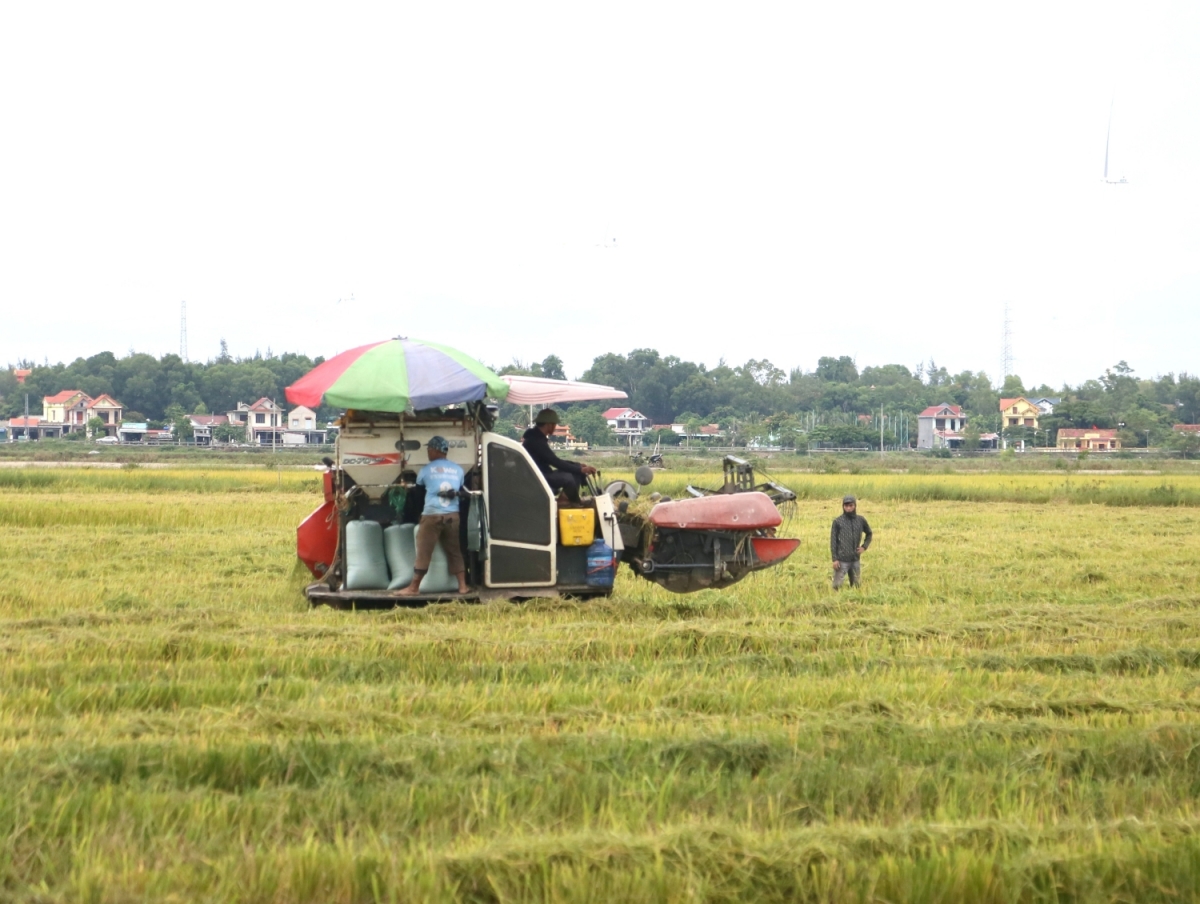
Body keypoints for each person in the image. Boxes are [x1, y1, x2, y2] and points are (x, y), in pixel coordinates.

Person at [397, 436, 470, 595]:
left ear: (436, 450)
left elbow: (418, 496)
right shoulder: (458, 469)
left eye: (429, 449)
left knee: (424, 551)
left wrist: (418, 515)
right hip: (453, 515)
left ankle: (414, 587)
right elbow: (460, 488)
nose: (428, 452)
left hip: (432, 515)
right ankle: (463, 586)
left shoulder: (425, 470)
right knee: (455, 550)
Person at [521, 409, 597, 503]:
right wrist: (580, 469)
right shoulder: (536, 440)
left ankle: (564, 500)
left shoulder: (537, 437)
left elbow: (553, 459)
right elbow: (554, 461)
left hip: (542, 473)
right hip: (538, 476)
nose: (555, 427)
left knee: (575, 471)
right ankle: (575, 503)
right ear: (549, 424)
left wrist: (577, 465)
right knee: (567, 478)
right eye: (554, 424)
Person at [830, 494, 872, 590]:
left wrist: (864, 547)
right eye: (846, 506)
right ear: (843, 506)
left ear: (855, 506)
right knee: (836, 586)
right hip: (841, 560)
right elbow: (833, 541)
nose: (848, 508)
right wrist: (835, 559)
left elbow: (869, 533)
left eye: (851, 505)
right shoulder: (837, 522)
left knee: (856, 586)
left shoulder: (860, 520)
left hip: (855, 559)